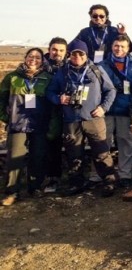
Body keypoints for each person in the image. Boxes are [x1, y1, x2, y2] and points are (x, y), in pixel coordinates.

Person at [46, 39, 117, 197]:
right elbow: (49, 92)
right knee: (74, 154)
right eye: (74, 54)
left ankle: (109, 181)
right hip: (71, 121)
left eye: (81, 53)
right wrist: (59, 99)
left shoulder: (96, 70)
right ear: (69, 55)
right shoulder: (63, 72)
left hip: (94, 119)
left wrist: (103, 108)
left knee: (101, 152)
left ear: (86, 55)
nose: (77, 56)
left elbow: (111, 90)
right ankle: (77, 183)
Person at [0, 48, 53, 206]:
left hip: (39, 124)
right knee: (15, 158)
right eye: (31, 56)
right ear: (25, 58)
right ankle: (12, 191)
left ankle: (35, 187)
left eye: (38, 57)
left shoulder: (47, 78)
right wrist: (6, 118)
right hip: (18, 125)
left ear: (42, 60)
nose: (33, 59)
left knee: (38, 156)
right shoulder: (12, 78)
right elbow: (1, 100)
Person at [98, 35, 132, 187]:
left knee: (126, 143)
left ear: (128, 48)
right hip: (106, 110)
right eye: (116, 46)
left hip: (126, 109)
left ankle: (125, 174)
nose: (119, 49)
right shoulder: (102, 65)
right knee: (101, 143)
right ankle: (101, 174)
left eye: (123, 46)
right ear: (111, 47)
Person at [42, 37, 68, 193]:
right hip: (48, 112)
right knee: (52, 145)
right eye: (54, 49)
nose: (57, 53)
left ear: (66, 52)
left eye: (61, 50)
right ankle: (52, 178)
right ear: (49, 50)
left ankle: (74, 177)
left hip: (69, 112)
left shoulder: (70, 67)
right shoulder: (40, 67)